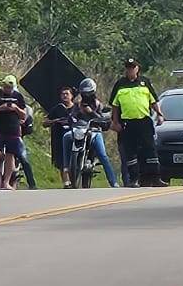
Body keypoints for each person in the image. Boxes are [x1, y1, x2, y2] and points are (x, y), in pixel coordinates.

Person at [109, 58, 165, 188]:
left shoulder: (145, 82)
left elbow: (153, 101)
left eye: (133, 67)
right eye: (128, 68)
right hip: (128, 123)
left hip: (144, 121)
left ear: (137, 69)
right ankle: (134, 179)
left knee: (150, 150)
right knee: (130, 151)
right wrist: (115, 122)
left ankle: (155, 178)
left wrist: (160, 115)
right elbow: (115, 106)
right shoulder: (120, 84)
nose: (130, 70)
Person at [65, 79, 118, 188]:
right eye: (84, 93)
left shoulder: (98, 104)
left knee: (103, 155)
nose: (86, 95)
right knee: (66, 137)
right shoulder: (77, 103)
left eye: (88, 93)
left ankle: (113, 182)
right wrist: (72, 117)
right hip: (79, 130)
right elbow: (72, 116)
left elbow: (103, 119)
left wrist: (91, 113)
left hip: (94, 131)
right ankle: (66, 166)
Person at [0, 75, 28, 191]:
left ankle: (6, 182)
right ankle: (1, 157)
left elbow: (24, 114)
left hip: (13, 129)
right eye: (5, 86)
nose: (7, 89)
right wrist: (0, 108)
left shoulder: (18, 96)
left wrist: (15, 108)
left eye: (10, 87)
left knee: (11, 155)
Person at [45, 86, 75, 187]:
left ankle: (74, 180)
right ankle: (66, 182)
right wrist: (56, 121)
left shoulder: (76, 108)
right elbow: (45, 122)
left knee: (73, 158)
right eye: (63, 94)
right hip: (59, 137)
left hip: (74, 137)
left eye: (67, 94)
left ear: (72, 95)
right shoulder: (57, 108)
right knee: (61, 160)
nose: (65, 96)